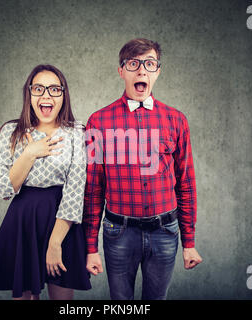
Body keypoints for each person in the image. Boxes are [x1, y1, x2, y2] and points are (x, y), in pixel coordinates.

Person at [83, 38, 202, 300]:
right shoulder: (98, 121)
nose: (141, 71)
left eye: (149, 64)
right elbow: (93, 189)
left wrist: (189, 242)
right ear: (121, 71)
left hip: (165, 232)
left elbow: (186, 184)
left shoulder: (176, 119)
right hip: (118, 234)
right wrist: (91, 247)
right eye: (134, 64)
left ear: (158, 71)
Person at [0, 64, 91, 300]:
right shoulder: (11, 132)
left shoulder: (76, 133)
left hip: (63, 224)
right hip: (23, 222)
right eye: (39, 89)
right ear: (29, 94)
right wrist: (30, 153)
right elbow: (4, 189)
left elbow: (75, 191)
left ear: (64, 95)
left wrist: (55, 243)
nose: (46, 95)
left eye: (54, 89)